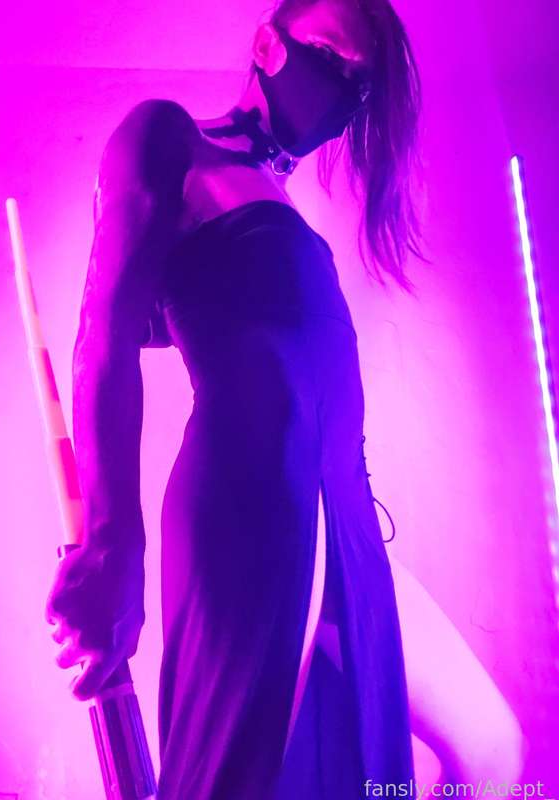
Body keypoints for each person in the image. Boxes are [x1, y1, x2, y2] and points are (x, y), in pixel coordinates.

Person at [44, 0, 429, 796]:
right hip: (256, 501)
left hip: (347, 514)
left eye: (360, 85)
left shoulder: (279, 196)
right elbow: (105, 332)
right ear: (267, 45)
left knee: (486, 750)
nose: (344, 92)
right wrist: (114, 541)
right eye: (332, 60)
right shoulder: (172, 139)